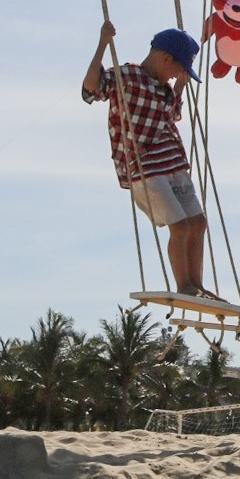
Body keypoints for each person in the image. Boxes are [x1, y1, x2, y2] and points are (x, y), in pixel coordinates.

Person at [82, 22, 215, 299]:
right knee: (179, 226)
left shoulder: (164, 88)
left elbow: (172, 107)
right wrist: (103, 43)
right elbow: (91, 88)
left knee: (198, 223)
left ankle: (197, 285)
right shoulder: (127, 76)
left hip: (173, 161)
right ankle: (185, 286)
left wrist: (181, 81)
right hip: (145, 167)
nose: (178, 75)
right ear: (165, 58)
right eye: (179, 69)